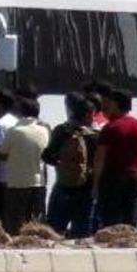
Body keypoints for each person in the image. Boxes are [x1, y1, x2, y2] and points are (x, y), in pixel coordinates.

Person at [93, 89, 137, 228]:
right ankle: (129, 245)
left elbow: (100, 159)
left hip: (112, 178)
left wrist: (95, 184)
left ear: (115, 104)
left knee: (110, 219)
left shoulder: (109, 128)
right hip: (134, 177)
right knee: (130, 217)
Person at [43, 93, 97, 238]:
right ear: (87, 115)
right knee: (81, 234)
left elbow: (46, 156)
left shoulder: (61, 131)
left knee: (53, 231)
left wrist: (62, 164)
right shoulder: (95, 135)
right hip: (87, 188)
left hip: (63, 186)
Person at [0, 97, 50, 235]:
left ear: (20, 112)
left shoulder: (14, 131)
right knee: (36, 224)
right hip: (38, 182)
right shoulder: (44, 131)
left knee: (15, 224)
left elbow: (2, 154)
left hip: (17, 183)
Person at [0, 88, 18, 225]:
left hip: (3, 177)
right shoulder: (16, 121)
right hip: (16, 176)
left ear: (0, 104)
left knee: (2, 216)